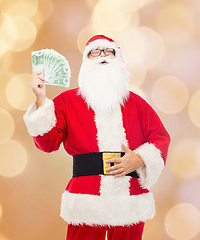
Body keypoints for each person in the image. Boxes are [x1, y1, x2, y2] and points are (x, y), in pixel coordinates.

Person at [23, 35, 170, 240]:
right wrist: (40, 100)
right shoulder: (67, 101)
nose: (102, 56)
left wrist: (139, 158)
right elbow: (47, 143)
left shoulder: (137, 104)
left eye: (108, 51)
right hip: (86, 197)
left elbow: (161, 137)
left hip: (129, 197)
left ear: (118, 59)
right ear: (86, 61)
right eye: (95, 52)